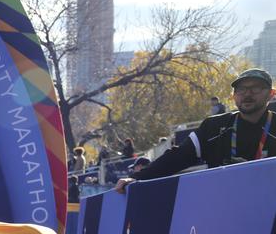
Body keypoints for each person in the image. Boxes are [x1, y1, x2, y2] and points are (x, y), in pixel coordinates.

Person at [117, 68, 276, 193]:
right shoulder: (214, 126)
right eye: (241, 89)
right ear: (234, 95)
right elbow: (178, 156)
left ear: (271, 94)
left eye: (256, 88)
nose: (247, 94)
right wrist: (136, 178)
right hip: (226, 211)